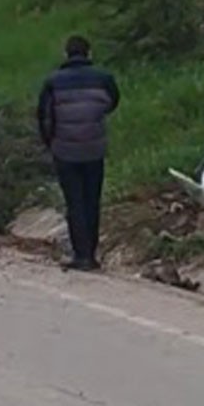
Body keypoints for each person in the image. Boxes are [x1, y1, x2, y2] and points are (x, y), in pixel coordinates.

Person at [36, 35, 120, 271]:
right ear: (89, 53)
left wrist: (50, 143)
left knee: (75, 202)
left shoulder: (53, 81)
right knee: (92, 200)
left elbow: (44, 116)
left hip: (65, 151)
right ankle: (92, 254)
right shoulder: (103, 79)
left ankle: (81, 255)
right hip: (94, 149)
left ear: (66, 54)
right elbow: (112, 102)